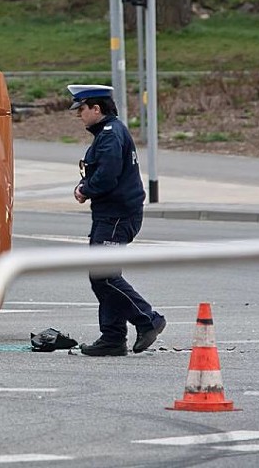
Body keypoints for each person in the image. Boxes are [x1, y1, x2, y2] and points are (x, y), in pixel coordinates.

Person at [69, 84, 166, 357]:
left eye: (81, 110)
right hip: (111, 214)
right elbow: (102, 170)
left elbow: (107, 176)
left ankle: (148, 319)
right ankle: (112, 336)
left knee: (104, 275)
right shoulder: (108, 133)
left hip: (116, 215)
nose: (79, 116)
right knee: (103, 275)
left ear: (96, 109)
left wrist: (85, 189)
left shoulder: (110, 135)